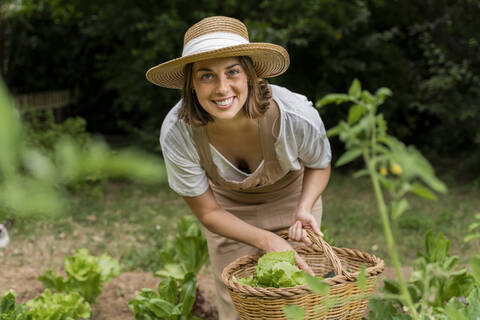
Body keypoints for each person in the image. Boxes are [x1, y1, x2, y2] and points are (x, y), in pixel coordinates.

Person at [146, 16, 331, 320]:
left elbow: (320, 165)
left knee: (300, 300)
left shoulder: (294, 117)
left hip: (293, 202)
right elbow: (208, 213)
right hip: (227, 212)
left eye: (232, 72)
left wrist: (305, 206)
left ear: (250, 75)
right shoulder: (178, 132)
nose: (222, 88)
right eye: (206, 76)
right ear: (191, 84)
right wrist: (267, 241)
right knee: (238, 304)